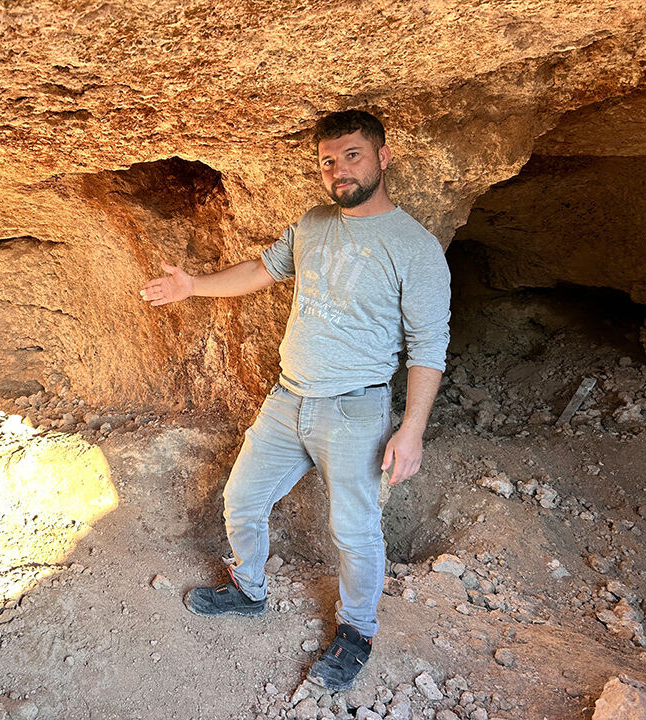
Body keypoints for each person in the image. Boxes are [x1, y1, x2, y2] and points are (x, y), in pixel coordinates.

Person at [139, 110, 451, 691]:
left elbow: (430, 345)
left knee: (355, 531)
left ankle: (357, 633)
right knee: (242, 497)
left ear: (383, 158)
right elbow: (262, 269)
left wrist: (411, 430)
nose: (339, 170)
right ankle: (249, 590)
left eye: (352, 155)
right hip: (288, 400)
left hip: (355, 409)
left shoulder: (415, 247)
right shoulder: (312, 223)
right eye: (328, 161)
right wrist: (192, 286)